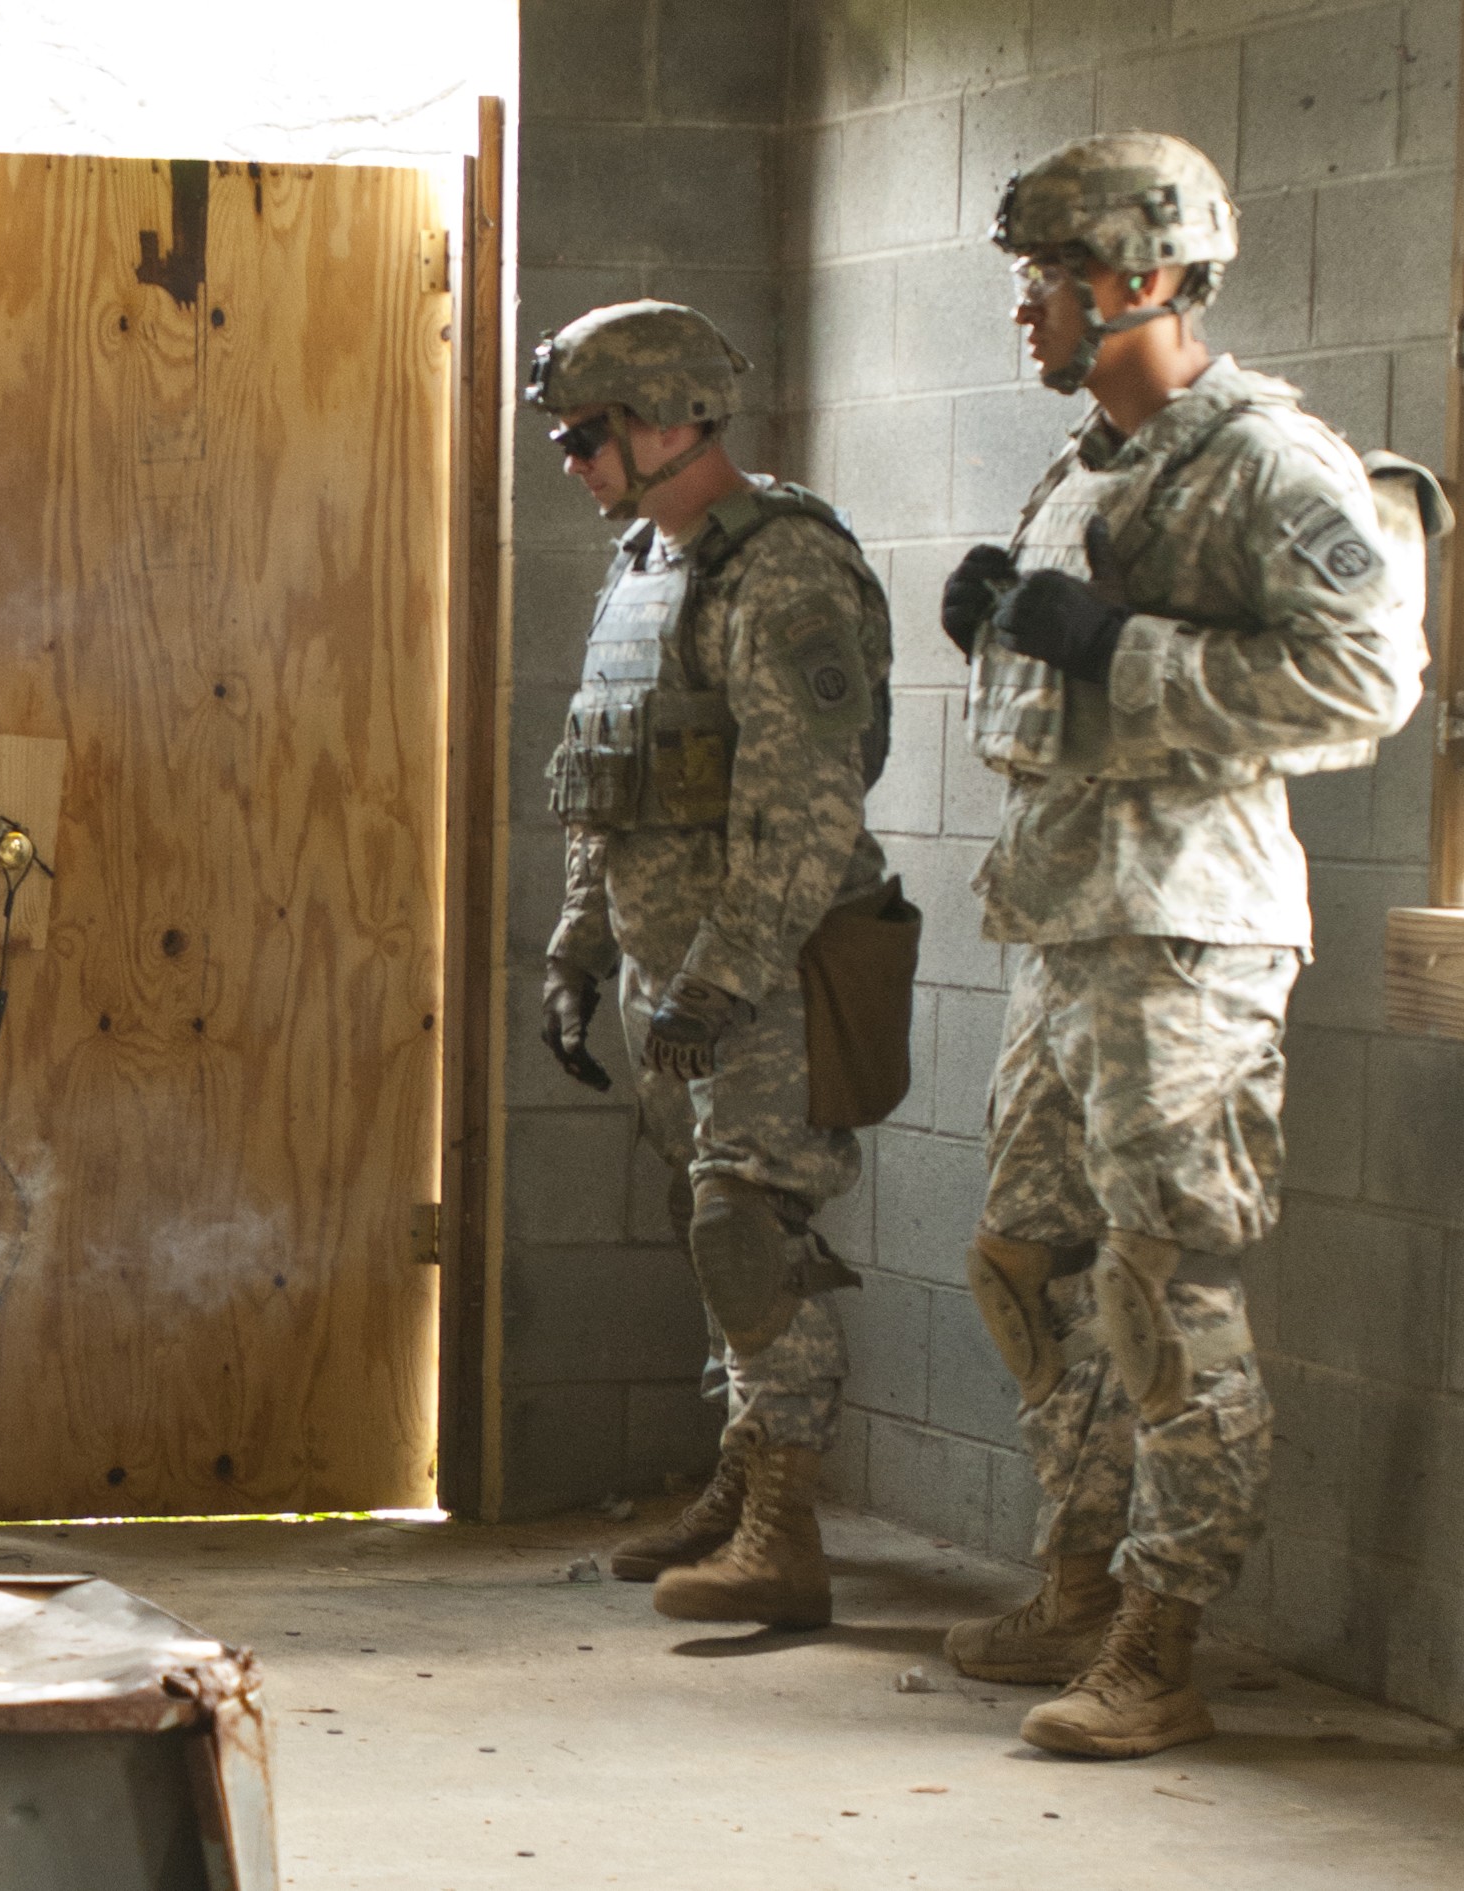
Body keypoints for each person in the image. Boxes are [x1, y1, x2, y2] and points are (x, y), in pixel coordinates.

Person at [940, 132, 1437, 1758]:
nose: (1026, 311)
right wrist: (1004, 637)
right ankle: (1077, 1578)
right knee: (1030, 1268)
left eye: (1049, 279)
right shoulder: (1088, 463)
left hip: (1187, 938)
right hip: (1069, 927)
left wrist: (1108, 646)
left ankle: (1160, 1636)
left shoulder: (1269, 463)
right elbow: (1063, 699)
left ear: (1141, 278)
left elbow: (1362, 688)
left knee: (1166, 1294)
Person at [531, 300, 898, 1631]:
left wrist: (717, 978)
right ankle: (741, 1478)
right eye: (561, 437)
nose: (569, 462)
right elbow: (606, 781)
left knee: (751, 1229)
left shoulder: (782, 569)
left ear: (673, 419)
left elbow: (806, 810)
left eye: (586, 434)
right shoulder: (644, 564)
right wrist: (578, 948)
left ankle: (783, 1527)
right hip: (663, 965)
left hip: (764, 975)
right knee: (716, 1230)